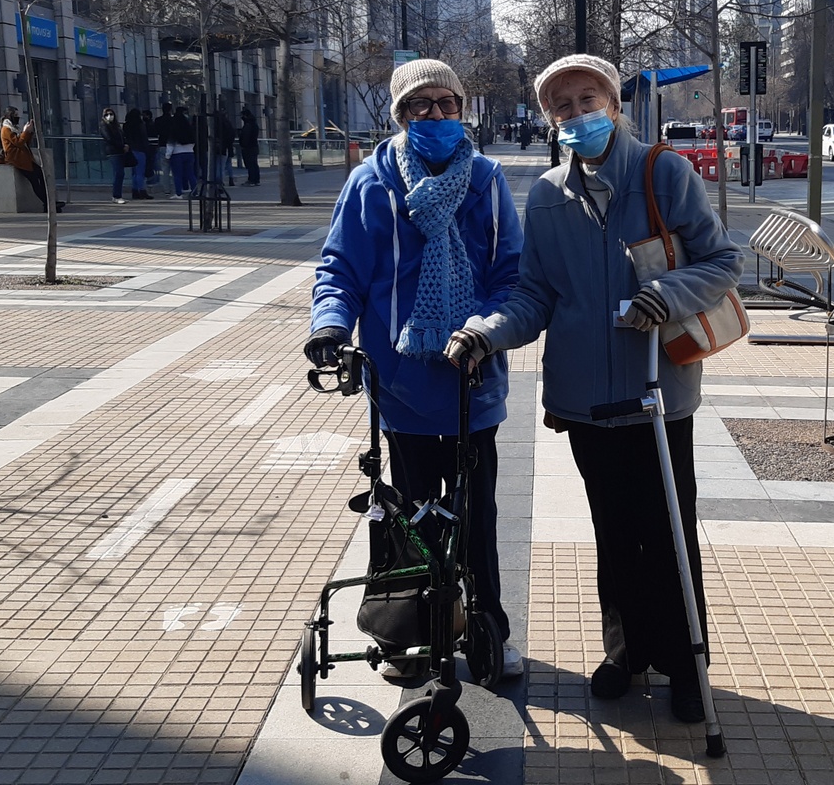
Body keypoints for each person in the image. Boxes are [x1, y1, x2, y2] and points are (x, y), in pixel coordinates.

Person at [444, 54, 744, 721]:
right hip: (584, 399)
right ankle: (625, 652)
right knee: (612, 530)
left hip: (657, 390)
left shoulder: (663, 172)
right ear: (551, 119)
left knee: (667, 531)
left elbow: (723, 261)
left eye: (588, 99)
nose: (577, 114)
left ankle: (685, 662)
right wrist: (486, 333)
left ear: (614, 102)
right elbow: (536, 293)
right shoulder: (549, 193)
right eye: (563, 106)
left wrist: (665, 294)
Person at [304, 59, 525, 680]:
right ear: (399, 115)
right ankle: (409, 633)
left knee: (475, 516)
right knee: (408, 517)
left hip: (471, 382)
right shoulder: (372, 182)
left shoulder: (486, 180)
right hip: (399, 387)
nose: (433, 115)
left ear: (462, 109)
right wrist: (328, 325)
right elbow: (340, 267)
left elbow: (511, 275)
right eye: (419, 105)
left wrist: (482, 331)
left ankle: (487, 629)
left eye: (445, 103)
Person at [0, 106, 63, 213]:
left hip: (25, 158)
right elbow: (18, 142)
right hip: (17, 160)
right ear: (9, 116)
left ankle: (49, 202)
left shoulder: (13, 128)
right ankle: (47, 204)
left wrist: (29, 132)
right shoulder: (6, 129)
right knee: (34, 180)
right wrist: (25, 132)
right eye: (15, 115)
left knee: (41, 176)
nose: (17, 117)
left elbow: (24, 143)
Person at [99, 107, 128, 204]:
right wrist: (121, 146)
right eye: (107, 114)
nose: (109, 116)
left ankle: (118, 195)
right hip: (113, 152)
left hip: (120, 151)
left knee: (120, 173)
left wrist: (125, 144)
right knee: (118, 173)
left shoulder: (116, 126)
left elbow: (122, 136)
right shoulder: (104, 125)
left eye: (111, 114)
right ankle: (116, 196)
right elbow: (109, 138)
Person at [167, 106, 197, 199]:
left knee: (177, 175)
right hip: (189, 153)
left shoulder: (174, 127)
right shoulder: (189, 127)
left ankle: (179, 193)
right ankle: (195, 192)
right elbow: (194, 141)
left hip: (177, 153)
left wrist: (167, 155)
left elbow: (171, 143)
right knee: (190, 174)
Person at [125, 107, 153, 200]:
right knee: (140, 172)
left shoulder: (126, 125)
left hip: (131, 150)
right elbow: (144, 138)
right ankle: (142, 190)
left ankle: (135, 191)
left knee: (134, 173)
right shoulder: (140, 125)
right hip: (140, 149)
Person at [153, 103, 175, 195]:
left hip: (162, 144)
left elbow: (155, 131)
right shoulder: (174, 120)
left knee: (165, 169)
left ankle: (167, 189)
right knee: (175, 168)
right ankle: (176, 188)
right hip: (173, 145)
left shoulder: (158, 120)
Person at [239, 108, 261, 186]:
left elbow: (246, 137)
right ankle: (256, 180)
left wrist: (243, 145)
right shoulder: (254, 124)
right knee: (254, 164)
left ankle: (251, 180)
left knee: (250, 164)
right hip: (254, 146)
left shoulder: (248, 125)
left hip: (249, 147)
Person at [217, 110, 236, 186]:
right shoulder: (228, 123)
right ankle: (230, 179)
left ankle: (219, 181)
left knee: (218, 165)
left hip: (220, 147)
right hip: (227, 147)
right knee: (227, 164)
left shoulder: (216, 124)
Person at [143, 109, 159, 187]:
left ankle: (151, 179)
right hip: (153, 146)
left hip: (149, 146)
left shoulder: (146, 125)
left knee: (150, 163)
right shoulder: (152, 124)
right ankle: (152, 179)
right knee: (152, 163)